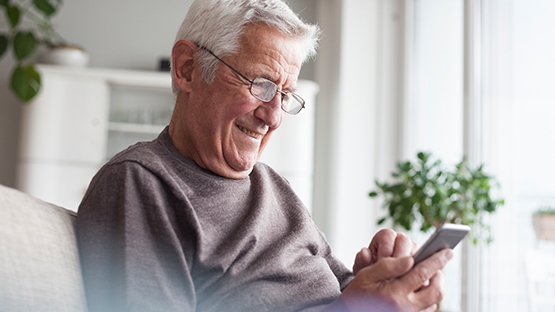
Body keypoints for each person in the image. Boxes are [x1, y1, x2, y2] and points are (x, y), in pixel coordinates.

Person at [77, 0, 453, 311]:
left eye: (285, 95)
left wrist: (391, 282)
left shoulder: (273, 188)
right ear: (187, 69)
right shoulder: (141, 184)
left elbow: (343, 293)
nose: (273, 116)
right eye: (261, 84)